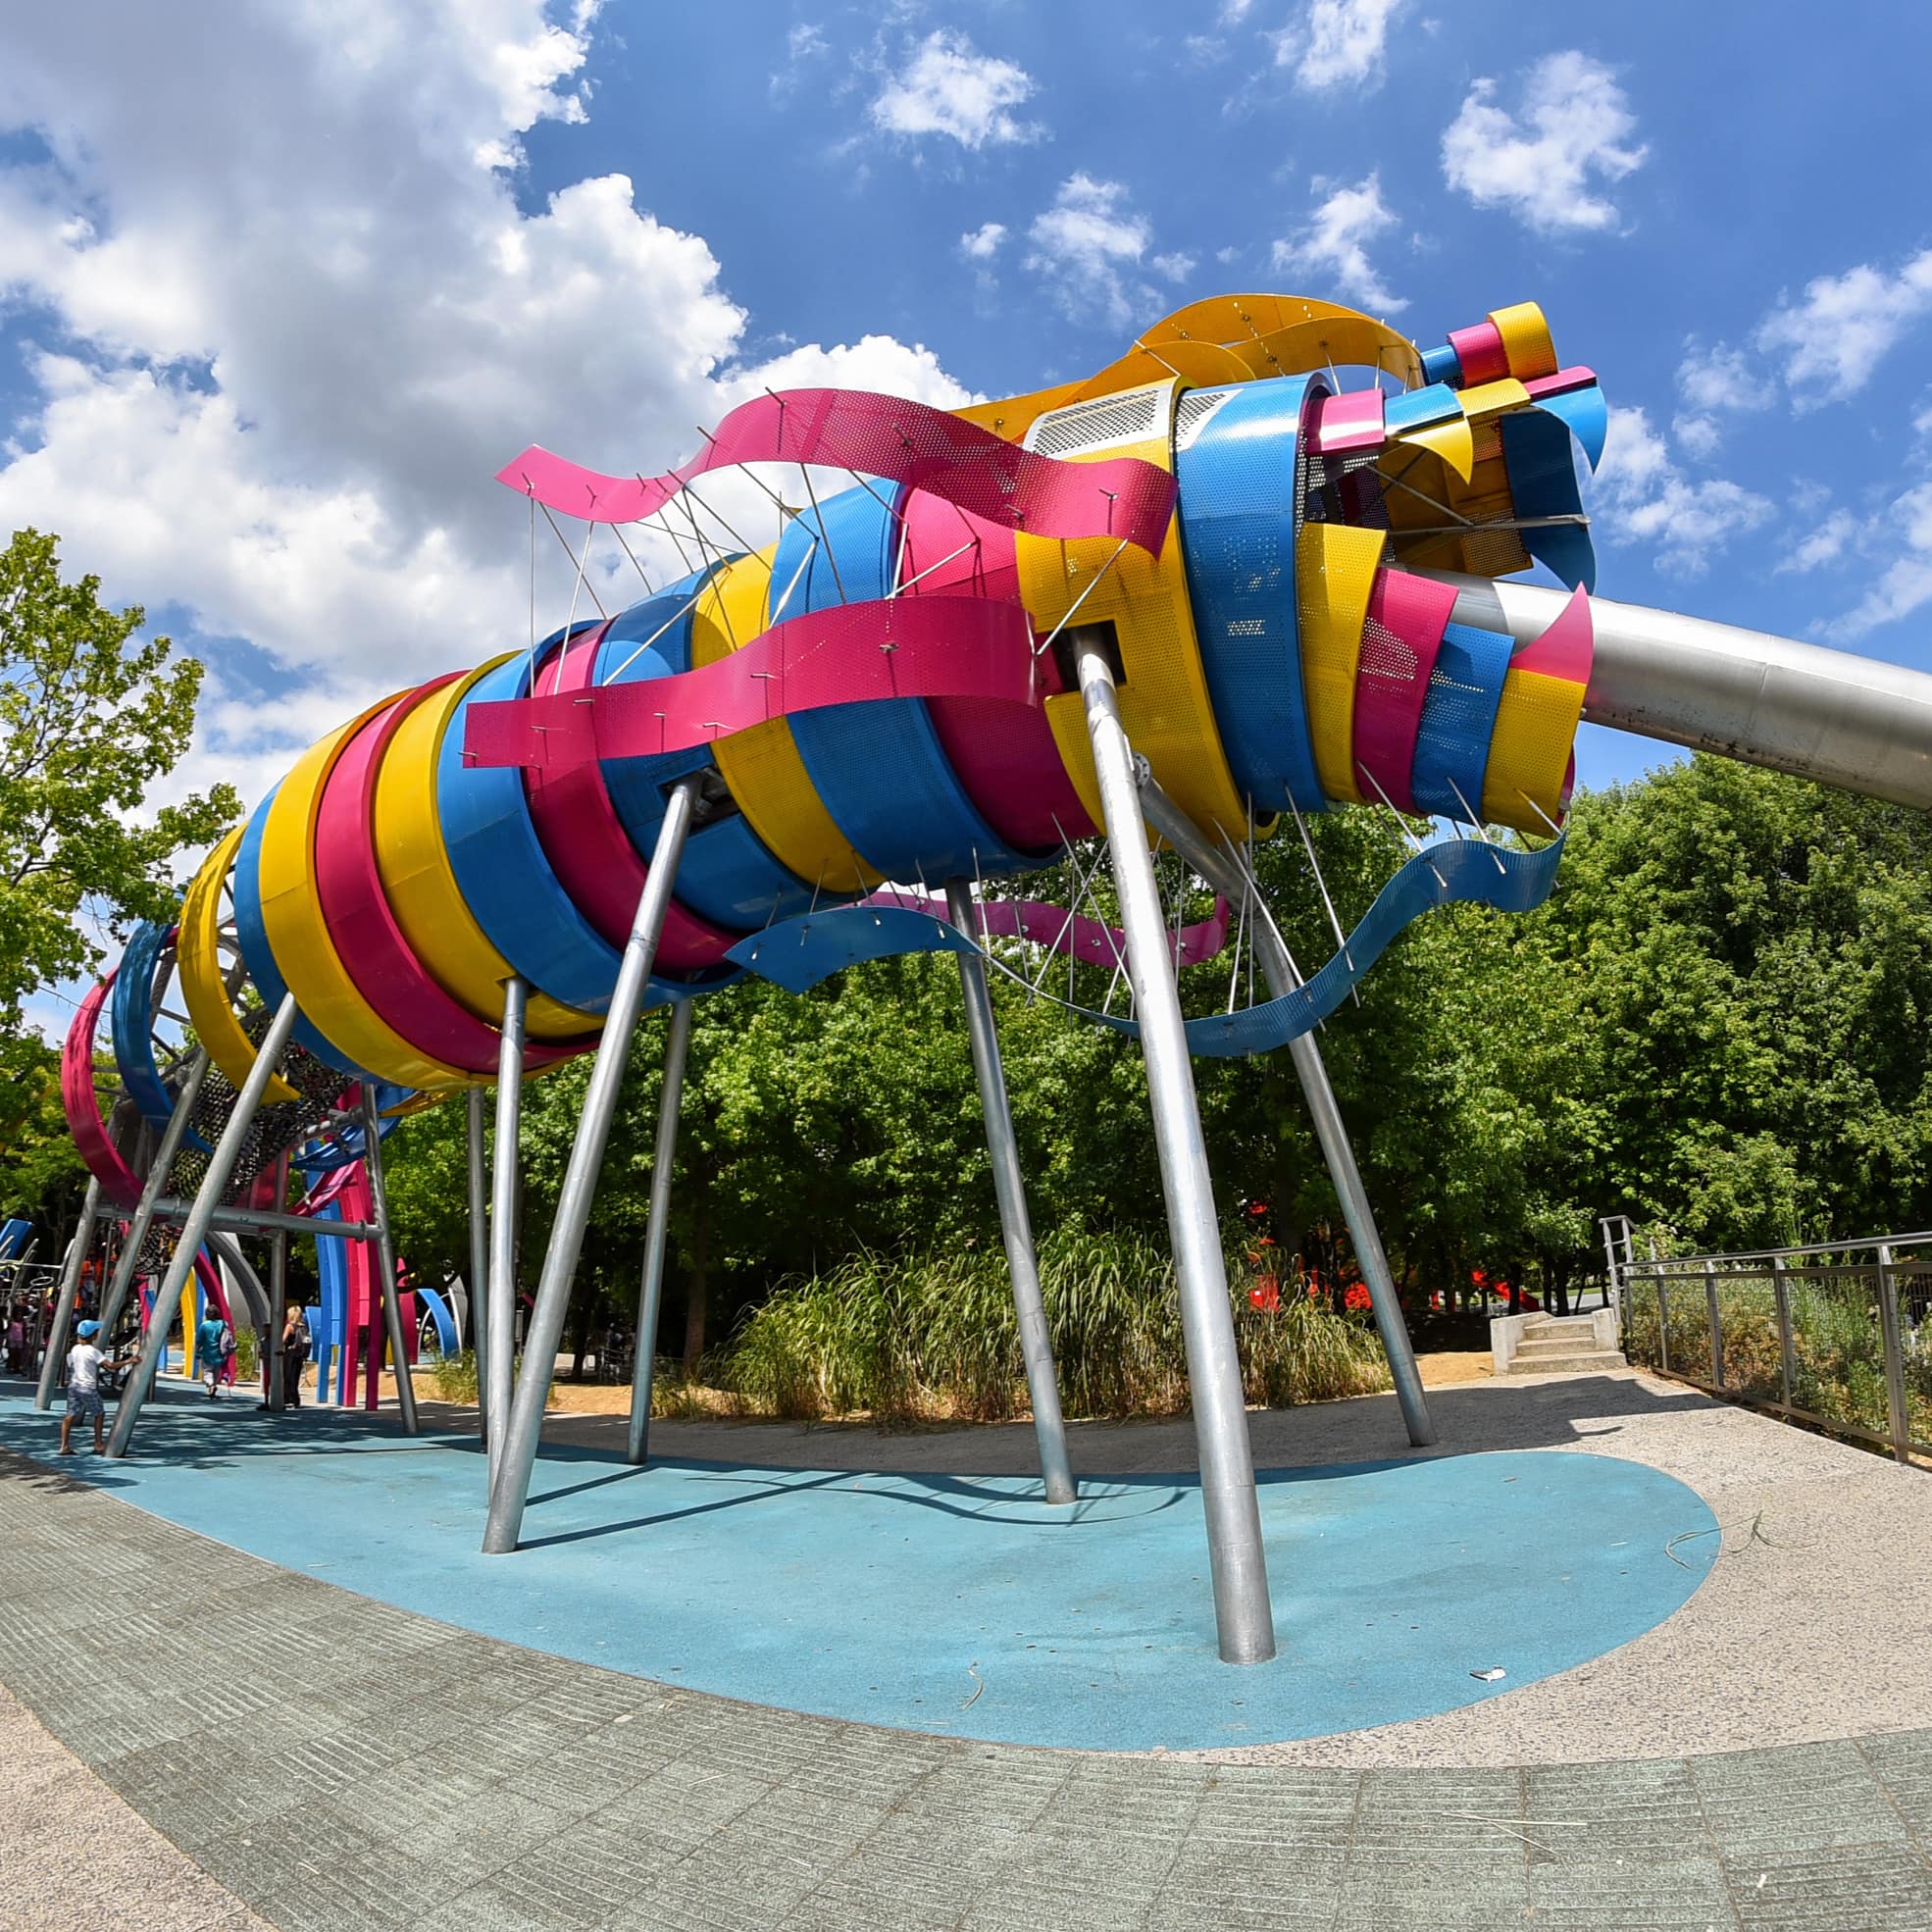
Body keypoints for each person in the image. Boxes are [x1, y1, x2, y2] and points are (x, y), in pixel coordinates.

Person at [58, 1320, 124, 1454]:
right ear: (93, 1335)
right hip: (87, 1387)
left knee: (70, 1414)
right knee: (99, 1413)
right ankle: (98, 1443)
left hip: (74, 1385)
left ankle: (64, 1445)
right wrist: (129, 1361)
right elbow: (109, 1365)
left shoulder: (75, 1349)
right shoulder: (93, 1351)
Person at [197, 1308, 233, 1399]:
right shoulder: (223, 1323)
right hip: (220, 1351)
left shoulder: (204, 1325)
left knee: (207, 1371)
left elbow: (199, 1340)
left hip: (207, 1352)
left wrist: (197, 1350)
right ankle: (213, 1387)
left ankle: (210, 1384)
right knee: (216, 1372)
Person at [281, 1302, 310, 1409]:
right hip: (300, 1354)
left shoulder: (289, 1326)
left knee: (288, 1376)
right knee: (296, 1376)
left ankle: (288, 1398)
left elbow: (283, 1340)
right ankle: (296, 1399)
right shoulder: (303, 1326)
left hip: (290, 1353)